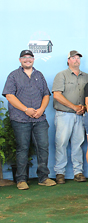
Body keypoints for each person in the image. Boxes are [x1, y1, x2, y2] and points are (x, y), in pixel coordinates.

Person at [2, 50, 56, 190]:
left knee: (43, 147)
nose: (27, 60)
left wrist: (41, 110)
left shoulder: (39, 75)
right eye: (24, 58)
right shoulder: (13, 75)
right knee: (22, 148)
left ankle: (43, 177)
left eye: (30, 57)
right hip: (20, 119)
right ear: (20, 60)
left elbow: (46, 95)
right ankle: (21, 180)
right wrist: (26, 109)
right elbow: (9, 96)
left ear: (33, 59)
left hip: (39, 119)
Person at [52, 50, 88, 184]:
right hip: (64, 114)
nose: (76, 60)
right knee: (61, 143)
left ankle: (78, 172)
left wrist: (84, 108)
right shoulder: (61, 75)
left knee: (78, 144)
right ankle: (60, 173)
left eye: (78, 58)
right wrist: (74, 107)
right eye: (73, 58)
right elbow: (57, 95)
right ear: (68, 60)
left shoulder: (86, 77)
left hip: (80, 115)